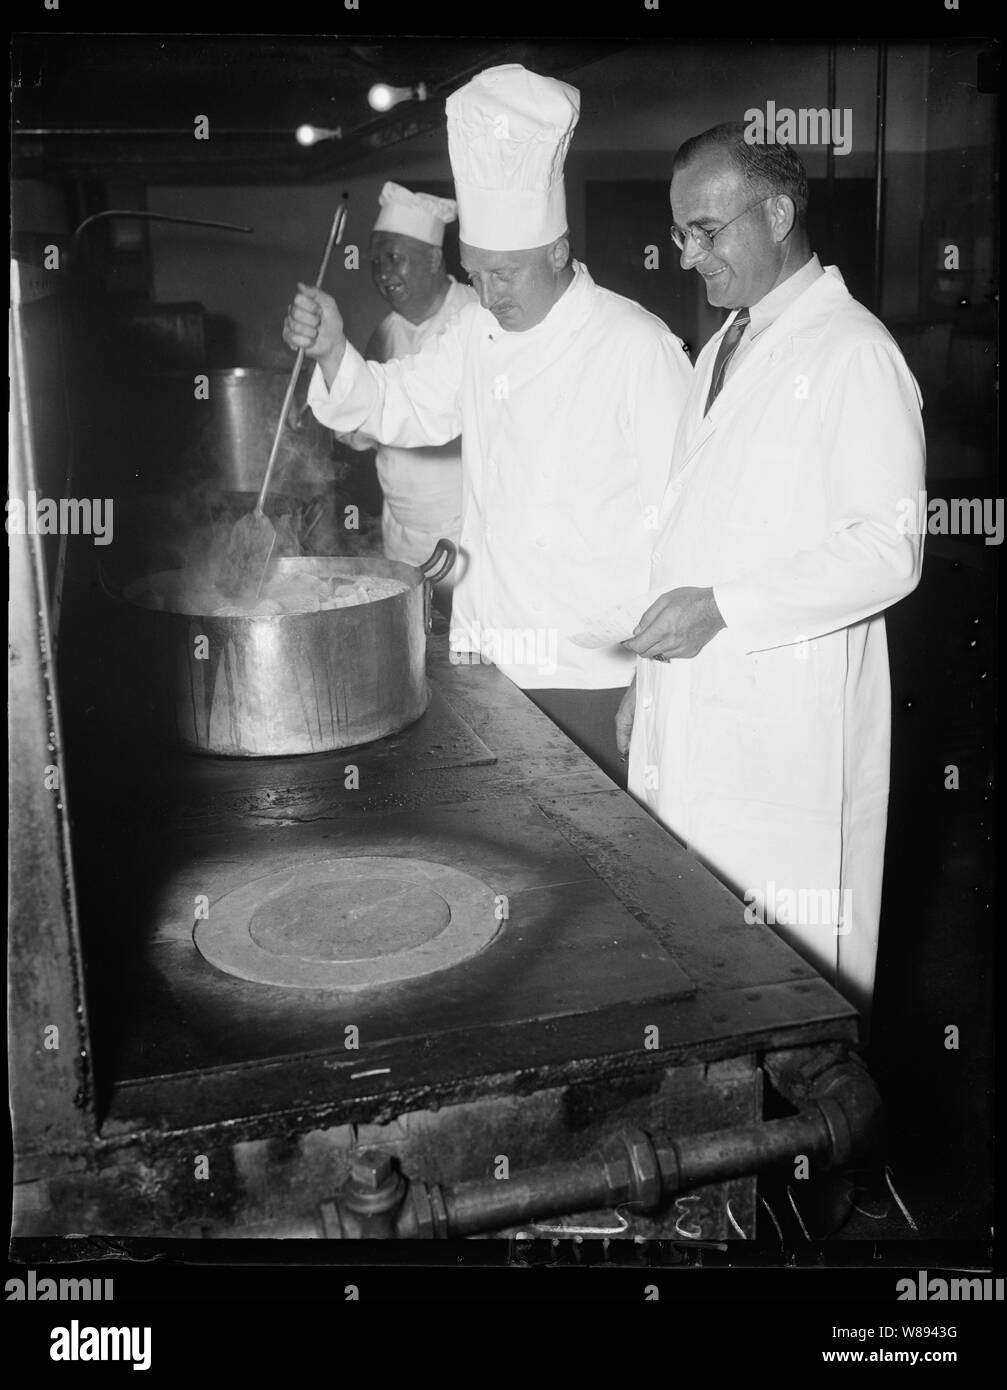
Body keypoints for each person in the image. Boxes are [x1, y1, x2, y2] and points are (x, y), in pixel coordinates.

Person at [283, 63, 691, 786]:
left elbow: (688, 526)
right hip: (490, 660)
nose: (487, 293)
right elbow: (392, 404)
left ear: (558, 250)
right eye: (474, 273)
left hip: (597, 671)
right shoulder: (476, 335)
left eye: (505, 274)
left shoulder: (635, 346)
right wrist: (330, 349)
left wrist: (655, 680)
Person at [617, 123, 925, 1024]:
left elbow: (886, 547)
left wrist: (721, 610)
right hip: (694, 716)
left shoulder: (852, 352)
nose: (687, 256)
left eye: (705, 231)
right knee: (699, 986)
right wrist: (648, 678)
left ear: (778, 214)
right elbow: (683, 533)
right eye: (680, 234)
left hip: (784, 741)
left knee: (786, 1007)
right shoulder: (721, 348)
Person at [338, 182, 477, 601]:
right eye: (376, 261)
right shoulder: (384, 333)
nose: (382, 273)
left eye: (395, 259)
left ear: (433, 258)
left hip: (467, 538)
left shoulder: (473, 317)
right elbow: (359, 429)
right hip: (400, 536)